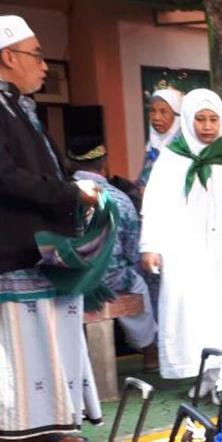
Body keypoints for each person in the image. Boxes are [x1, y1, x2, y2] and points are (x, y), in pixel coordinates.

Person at [0, 15, 103, 442]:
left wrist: (75, 191)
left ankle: (46, 426)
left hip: (38, 245)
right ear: (9, 57)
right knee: (15, 346)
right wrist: (70, 194)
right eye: (37, 56)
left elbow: (45, 170)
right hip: (3, 247)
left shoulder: (17, 104)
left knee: (48, 338)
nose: (44, 67)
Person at [139, 88, 222, 382]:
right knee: (192, 315)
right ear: (188, 119)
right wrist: (150, 245)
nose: (207, 126)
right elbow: (155, 206)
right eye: (200, 119)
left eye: (213, 119)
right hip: (186, 252)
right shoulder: (171, 159)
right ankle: (204, 377)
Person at [67, 143, 159, 367]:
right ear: (104, 165)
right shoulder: (120, 198)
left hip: (69, 279)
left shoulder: (59, 195)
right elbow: (131, 250)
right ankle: (149, 352)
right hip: (111, 277)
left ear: (69, 166)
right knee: (137, 285)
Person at [137, 88, 182, 190]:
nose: (156, 117)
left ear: (176, 115)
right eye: (153, 111)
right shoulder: (152, 144)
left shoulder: (183, 147)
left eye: (163, 112)